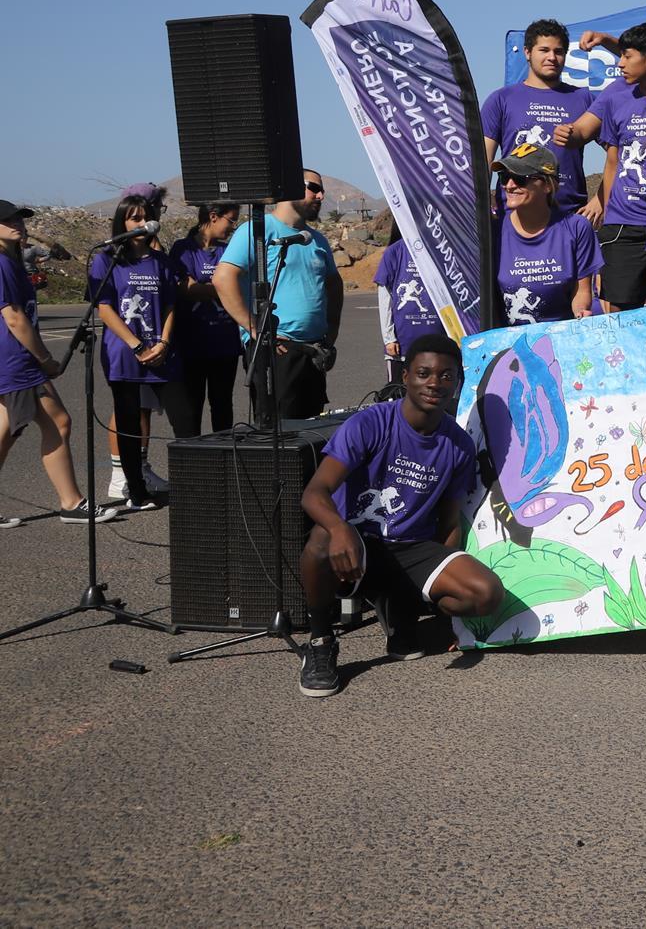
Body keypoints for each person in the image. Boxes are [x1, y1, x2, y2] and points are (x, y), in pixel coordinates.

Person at [295, 333, 503, 697]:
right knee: (321, 538)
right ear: (405, 376)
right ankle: (320, 642)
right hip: (357, 543)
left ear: (458, 383)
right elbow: (315, 493)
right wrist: (339, 526)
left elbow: (449, 521)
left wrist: (455, 619)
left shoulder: (458, 444)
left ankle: (400, 606)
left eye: (446, 376)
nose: (434, 383)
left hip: (411, 547)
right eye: (424, 373)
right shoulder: (369, 424)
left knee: (484, 594)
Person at [555, 24, 646, 311]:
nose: (620, 63)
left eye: (626, 57)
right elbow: (612, 159)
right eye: (620, 56)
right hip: (623, 225)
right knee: (622, 315)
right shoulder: (615, 96)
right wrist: (569, 134)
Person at [0, 200, 110, 525]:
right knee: (56, 422)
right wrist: (45, 359)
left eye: (19, 218)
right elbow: (15, 318)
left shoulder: (13, 260)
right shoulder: (3, 264)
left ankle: (71, 501)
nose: (17, 224)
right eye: (8, 220)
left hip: (18, 361)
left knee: (15, 430)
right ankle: (72, 502)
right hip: (16, 361)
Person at [90, 194, 200, 508]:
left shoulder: (162, 262)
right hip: (124, 354)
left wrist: (163, 342)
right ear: (122, 222)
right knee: (128, 424)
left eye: (145, 217)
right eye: (134, 218)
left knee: (186, 421)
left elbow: (169, 305)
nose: (141, 223)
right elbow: (105, 309)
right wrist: (136, 345)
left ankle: (193, 486)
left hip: (163, 354)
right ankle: (136, 492)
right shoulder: (107, 259)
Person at [214, 170, 342, 424]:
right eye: (314, 188)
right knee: (279, 433)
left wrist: (332, 330)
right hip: (277, 350)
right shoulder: (259, 231)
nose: (321, 195)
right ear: (292, 187)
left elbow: (333, 283)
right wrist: (253, 328)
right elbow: (222, 278)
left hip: (313, 352)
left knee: (310, 431)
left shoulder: (316, 240)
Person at [482, 19, 600, 221]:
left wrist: (601, 198)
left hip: (570, 214)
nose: (552, 57)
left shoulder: (584, 98)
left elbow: (618, 151)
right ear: (528, 53)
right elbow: (483, 160)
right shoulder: (501, 99)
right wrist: (483, 202)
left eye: (559, 51)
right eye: (544, 50)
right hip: (514, 216)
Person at [495, 146, 603, 326]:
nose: (510, 185)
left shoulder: (577, 228)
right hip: (507, 341)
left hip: (561, 337)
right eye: (504, 177)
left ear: (547, 185)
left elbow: (582, 291)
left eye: (521, 178)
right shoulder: (494, 231)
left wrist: (580, 314)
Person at [170, 202, 241, 432]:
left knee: (222, 407)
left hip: (225, 344)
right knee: (192, 409)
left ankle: (223, 462)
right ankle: (194, 464)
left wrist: (211, 287)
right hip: (192, 346)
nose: (233, 226)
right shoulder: (184, 249)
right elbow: (187, 288)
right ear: (213, 217)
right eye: (231, 220)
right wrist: (223, 287)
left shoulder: (227, 250)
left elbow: (239, 285)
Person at [372, 223, 440, 384]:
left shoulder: (440, 249)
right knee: (399, 396)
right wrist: (389, 338)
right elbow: (385, 296)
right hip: (402, 345)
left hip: (437, 342)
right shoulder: (395, 251)